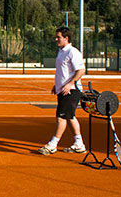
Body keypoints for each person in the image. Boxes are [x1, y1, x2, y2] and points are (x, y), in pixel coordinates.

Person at [38, 27, 87, 155]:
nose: (56, 39)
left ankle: (53, 144)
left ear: (66, 38)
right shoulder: (61, 51)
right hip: (62, 90)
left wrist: (70, 84)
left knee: (61, 117)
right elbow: (63, 71)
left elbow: (81, 70)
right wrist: (57, 85)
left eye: (58, 37)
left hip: (71, 91)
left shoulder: (72, 52)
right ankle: (79, 143)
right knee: (70, 117)